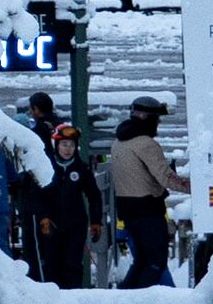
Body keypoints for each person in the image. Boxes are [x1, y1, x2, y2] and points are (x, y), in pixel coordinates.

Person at [105, 98, 179, 288]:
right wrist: (199, 187)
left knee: (141, 262)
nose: (159, 123)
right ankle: (131, 300)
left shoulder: (119, 142)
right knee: (156, 262)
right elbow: (166, 178)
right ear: (145, 117)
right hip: (149, 212)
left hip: (129, 212)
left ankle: (123, 297)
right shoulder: (146, 144)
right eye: (156, 118)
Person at [27, 108, 99, 289]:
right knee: (52, 267)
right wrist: (43, 217)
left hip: (75, 226)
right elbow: (35, 196)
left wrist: (96, 221)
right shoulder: (45, 167)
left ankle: (75, 299)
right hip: (51, 225)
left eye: (72, 145)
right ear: (56, 145)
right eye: (64, 145)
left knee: (72, 266)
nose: (68, 149)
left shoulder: (81, 169)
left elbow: (94, 195)